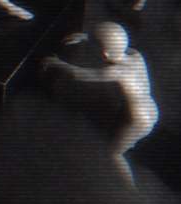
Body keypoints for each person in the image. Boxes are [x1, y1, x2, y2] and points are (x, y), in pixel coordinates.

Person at [43, 22, 158, 187]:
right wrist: (87, 37)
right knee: (117, 134)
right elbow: (116, 43)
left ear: (104, 54)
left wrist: (57, 63)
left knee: (113, 154)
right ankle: (127, 142)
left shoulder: (116, 71)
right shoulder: (135, 55)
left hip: (139, 118)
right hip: (151, 109)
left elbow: (78, 74)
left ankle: (130, 193)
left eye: (94, 48)